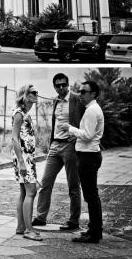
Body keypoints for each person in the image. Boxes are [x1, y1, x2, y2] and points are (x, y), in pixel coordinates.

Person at [32, 73, 84, 231]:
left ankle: (73, 221)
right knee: (45, 183)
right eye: (57, 85)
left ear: (68, 85)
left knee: (73, 185)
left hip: (70, 146)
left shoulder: (77, 99)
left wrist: (79, 137)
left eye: (63, 84)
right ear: (54, 86)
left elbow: (87, 119)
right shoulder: (55, 100)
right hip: (55, 146)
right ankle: (41, 217)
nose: (61, 87)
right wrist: (51, 142)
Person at [57, 80, 105, 244]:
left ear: (93, 94)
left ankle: (94, 233)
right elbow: (86, 134)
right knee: (93, 196)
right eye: (79, 91)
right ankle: (95, 230)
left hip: (88, 157)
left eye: (84, 91)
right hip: (89, 155)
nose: (80, 94)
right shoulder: (92, 109)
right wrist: (75, 134)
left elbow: (88, 135)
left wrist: (70, 128)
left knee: (91, 196)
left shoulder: (91, 111)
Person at [12, 84, 42, 242]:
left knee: (24, 192)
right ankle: (29, 230)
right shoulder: (19, 113)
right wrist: (22, 163)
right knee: (31, 192)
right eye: (33, 92)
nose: (36, 94)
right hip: (24, 158)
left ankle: (21, 226)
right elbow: (14, 138)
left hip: (27, 158)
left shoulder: (24, 113)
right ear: (25, 95)